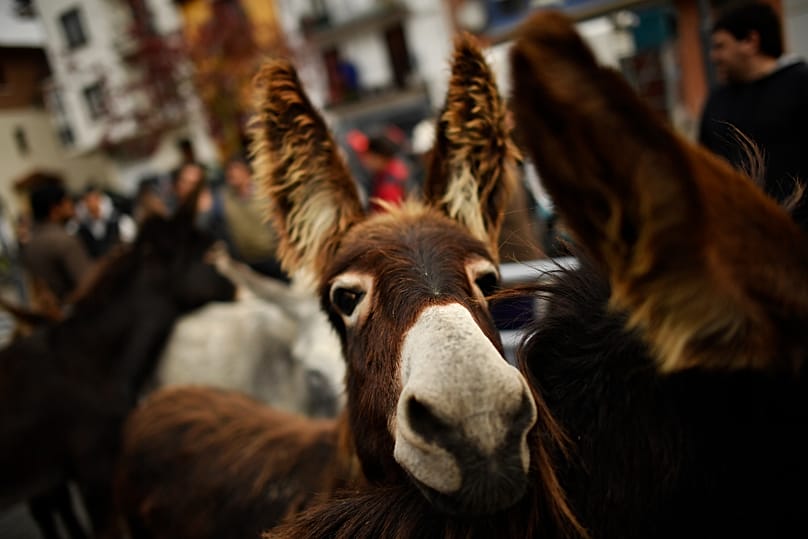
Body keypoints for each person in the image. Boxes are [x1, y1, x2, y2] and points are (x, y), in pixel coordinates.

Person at [699, 1, 808, 225]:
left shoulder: (801, 85)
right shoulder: (717, 101)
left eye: (721, 46)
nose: (713, 56)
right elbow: (704, 163)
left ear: (750, 42)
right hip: (742, 233)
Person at [209, 156, 287, 281]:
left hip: (276, 257)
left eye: (235, 169)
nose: (231, 174)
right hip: (250, 262)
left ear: (247, 172)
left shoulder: (264, 192)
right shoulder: (223, 198)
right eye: (229, 170)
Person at [20, 181, 93, 309]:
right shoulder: (63, 241)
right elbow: (88, 285)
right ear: (55, 209)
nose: (71, 206)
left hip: (53, 314)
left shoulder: (30, 245)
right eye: (67, 202)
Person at [75, 185, 136, 259]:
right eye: (87, 201)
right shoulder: (84, 226)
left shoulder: (121, 221)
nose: (90, 204)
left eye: (94, 200)